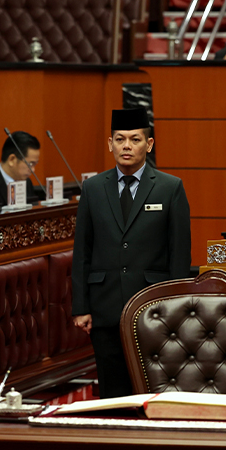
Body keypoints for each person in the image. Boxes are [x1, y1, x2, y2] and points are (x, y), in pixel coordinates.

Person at [72, 108, 192, 398]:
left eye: (135, 139)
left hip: (154, 307)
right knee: (112, 391)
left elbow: (179, 254)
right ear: (110, 143)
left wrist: (174, 308)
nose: (127, 146)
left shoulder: (170, 188)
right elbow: (82, 251)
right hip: (104, 305)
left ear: (148, 145)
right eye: (120, 139)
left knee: (152, 389)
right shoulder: (92, 188)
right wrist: (80, 306)